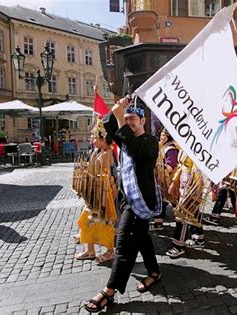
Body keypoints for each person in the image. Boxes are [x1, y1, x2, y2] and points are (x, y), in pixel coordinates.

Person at [83, 97, 162, 313]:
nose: (129, 122)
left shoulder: (150, 142)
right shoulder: (123, 137)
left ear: (144, 120)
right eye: (127, 119)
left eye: (133, 119)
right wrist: (115, 109)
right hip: (127, 199)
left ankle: (109, 291)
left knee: (124, 243)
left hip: (141, 202)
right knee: (142, 238)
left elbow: (134, 148)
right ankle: (154, 272)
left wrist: (119, 118)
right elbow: (108, 125)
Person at [74, 118, 118, 264]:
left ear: (103, 138)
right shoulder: (99, 151)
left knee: (104, 222)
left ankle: (111, 251)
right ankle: (90, 250)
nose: (91, 139)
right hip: (95, 193)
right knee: (88, 220)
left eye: (94, 137)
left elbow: (104, 175)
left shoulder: (107, 154)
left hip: (103, 194)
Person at [166, 151, 206, 258]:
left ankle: (179, 245)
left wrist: (196, 191)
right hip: (183, 182)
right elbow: (181, 166)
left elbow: (198, 170)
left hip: (191, 185)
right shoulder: (186, 146)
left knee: (182, 214)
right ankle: (199, 237)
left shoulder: (198, 149)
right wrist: (174, 182)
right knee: (192, 210)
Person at [152, 129, 179, 231]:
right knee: (160, 201)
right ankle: (158, 223)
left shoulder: (171, 149)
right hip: (161, 179)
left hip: (168, 179)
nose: (161, 137)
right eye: (161, 135)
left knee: (174, 201)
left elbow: (171, 165)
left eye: (163, 136)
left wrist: (161, 167)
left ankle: (182, 222)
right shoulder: (162, 147)